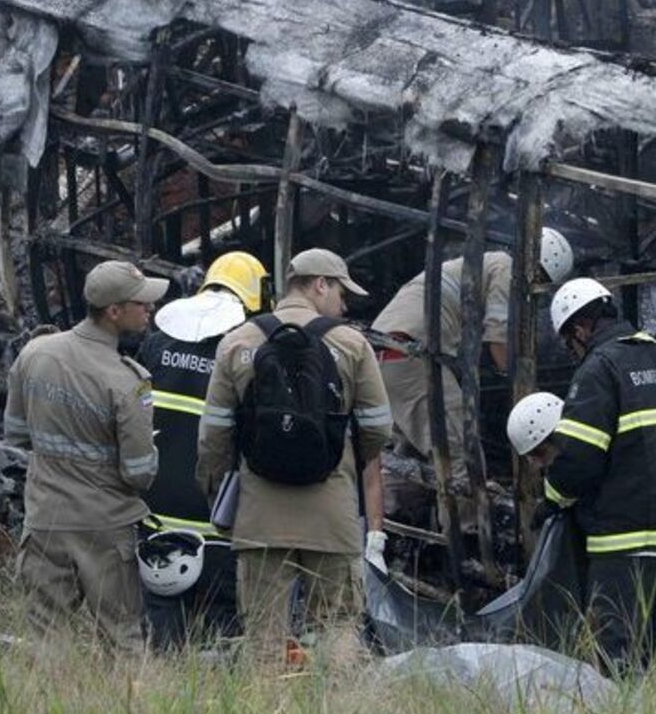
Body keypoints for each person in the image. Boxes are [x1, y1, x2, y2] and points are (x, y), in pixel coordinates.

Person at [197, 248, 392, 659]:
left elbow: (213, 435)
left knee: (263, 629)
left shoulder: (238, 341)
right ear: (320, 284)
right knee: (338, 622)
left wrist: (217, 491)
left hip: (259, 512)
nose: (343, 304)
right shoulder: (351, 344)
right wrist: (345, 466)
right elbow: (378, 428)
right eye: (341, 292)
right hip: (332, 510)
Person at [538, 278, 656, 673]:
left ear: (580, 328)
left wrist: (552, 494)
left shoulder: (599, 369)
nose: (572, 351)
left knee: (618, 650)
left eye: (570, 342)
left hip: (628, 533)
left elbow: (579, 457)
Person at [4, 260, 167, 652]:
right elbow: (139, 473)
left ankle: (44, 711)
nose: (149, 310)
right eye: (141, 304)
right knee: (122, 637)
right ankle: (130, 712)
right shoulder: (127, 381)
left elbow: (16, 433)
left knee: (45, 636)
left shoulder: (35, 354)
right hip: (104, 527)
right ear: (114, 312)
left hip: (45, 518)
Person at [508, 390, 656, 663]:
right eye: (530, 457)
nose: (535, 464)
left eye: (539, 453)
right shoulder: (585, 454)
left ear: (560, 436)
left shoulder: (603, 452)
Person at [372, 227, 573, 528]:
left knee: (416, 451)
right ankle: (466, 539)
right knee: (459, 454)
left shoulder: (484, 262)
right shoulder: (507, 271)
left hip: (389, 354)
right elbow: (499, 344)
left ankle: (389, 525)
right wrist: (524, 393)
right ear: (540, 268)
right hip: (414, 357)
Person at [135, 250, 269, 648]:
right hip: (216, 524)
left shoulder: (157, 344)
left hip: (155, 518)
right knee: (221, 632)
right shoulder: (242, 352)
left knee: (161, 630)